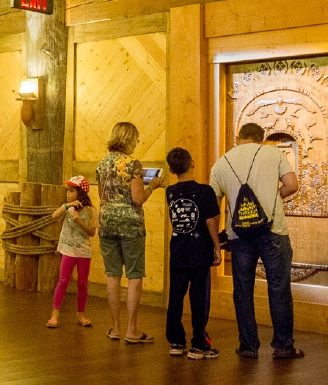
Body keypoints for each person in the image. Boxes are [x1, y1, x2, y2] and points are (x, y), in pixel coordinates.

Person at [209, 122, 304, 360]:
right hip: (273, 231)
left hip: (238, 235)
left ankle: (248, 346)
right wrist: (274, 197)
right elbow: (292, 185)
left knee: (242, 289)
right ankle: (283, 346)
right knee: (279, 287)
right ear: (261, 139)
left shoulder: (222, 162)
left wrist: (215, 240)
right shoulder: (273, 153)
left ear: (238, 137)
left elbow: (213, 203)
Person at [95, 121, 164, 345]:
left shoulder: (102, 163)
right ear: (128, 139)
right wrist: (152, 185)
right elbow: (138, 198)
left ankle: (115, 327)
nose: (137, 142)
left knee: (112, 275)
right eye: (135, 138)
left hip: (106, 223)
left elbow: (101, 195)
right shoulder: (132, 164)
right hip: (130, 225)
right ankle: (131, 329)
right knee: (134, 276)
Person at [164, 147, 221, 359]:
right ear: (193, 163)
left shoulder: (170, 192)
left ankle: (176, 341)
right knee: (199, 298)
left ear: (171, 169)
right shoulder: (206, 192)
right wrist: (216, 246)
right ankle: (199, 344)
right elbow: (210, 221)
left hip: (178, 250)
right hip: (199, 251)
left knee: (176, 297)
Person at [47, 175, 97, 329]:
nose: (67, 193)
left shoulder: (90, 211)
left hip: (83, 252)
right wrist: (67, 205)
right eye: (67, 191)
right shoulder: (67, 208)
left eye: (71, 191)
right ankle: (55, 314)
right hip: (68, 250)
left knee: (82, 283)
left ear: (81, 193)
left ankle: (81, 314)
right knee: (63, 281)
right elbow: (54, 216)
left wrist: (79, 222)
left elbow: (92, 233)